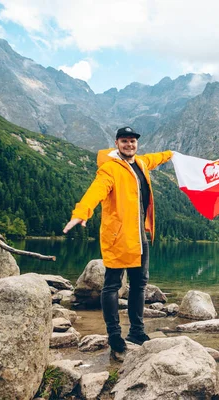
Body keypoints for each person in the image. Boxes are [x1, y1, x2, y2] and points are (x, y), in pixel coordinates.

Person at [63, 126, 173, 356]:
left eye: (132, 141)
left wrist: (173, 154)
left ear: (137, 143)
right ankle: (114, 335)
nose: (129, 144)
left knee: (139, 283)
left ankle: (136, 331)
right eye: (124, 141)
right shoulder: (109, 168)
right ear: (116, 143)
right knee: (112, 284)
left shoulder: (141, 163)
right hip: (118, 236)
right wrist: (82, 212)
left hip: (139, 235)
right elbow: (96, 190)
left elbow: (156, 158)